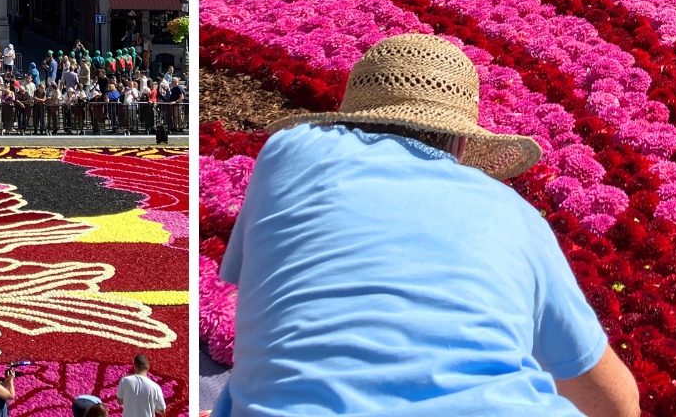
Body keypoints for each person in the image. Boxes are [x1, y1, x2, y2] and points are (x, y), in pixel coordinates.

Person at [214, 34, 640, 417]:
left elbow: (249, 283)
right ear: (461, 141)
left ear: (348, 114)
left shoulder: (287, 152)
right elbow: (614, 402)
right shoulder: (514, 215)